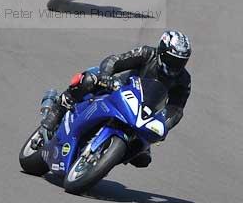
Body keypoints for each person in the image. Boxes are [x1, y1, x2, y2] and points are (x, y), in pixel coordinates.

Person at [40, 30, 192, 167]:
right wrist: (107, 76)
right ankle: (57, 110)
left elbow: (176, 109)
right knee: (89, 79)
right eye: (172, 60)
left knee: (142, 158)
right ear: (161, 52)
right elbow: (115, 60)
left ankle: (100, 160)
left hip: (141, 116)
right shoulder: (147, 54)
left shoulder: (184, 80)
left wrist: (164, 126)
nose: (175, 66)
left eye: (181, 62)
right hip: (118, 90)